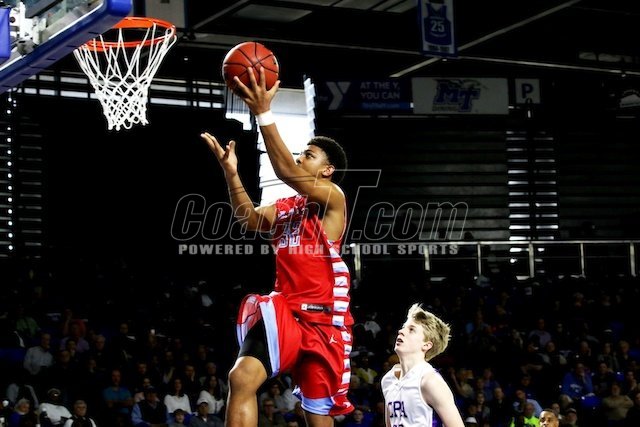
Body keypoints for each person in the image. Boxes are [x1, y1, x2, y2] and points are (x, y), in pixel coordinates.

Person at [201, 65, 352, 427]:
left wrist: (263, 113)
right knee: (241, 377)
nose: (300, 158)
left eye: (309, 155)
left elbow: (285, 170)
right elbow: (249, 219)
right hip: (286, 310)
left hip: (324, 321)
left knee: (318, 418)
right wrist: (232, 175)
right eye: (301, 153)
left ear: (327, 170)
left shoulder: (333, 198)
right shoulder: (286, 208)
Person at [380, 303, 464, 427]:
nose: (401, 331)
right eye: (403, 327)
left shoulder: (430, 381)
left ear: (426, 345)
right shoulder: (388, 380)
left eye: (411, 330)